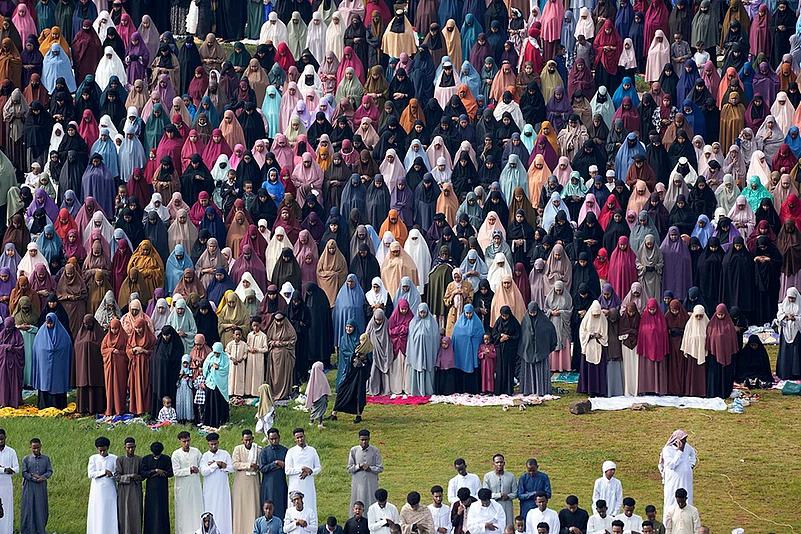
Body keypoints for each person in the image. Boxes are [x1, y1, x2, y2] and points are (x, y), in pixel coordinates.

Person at [200, 432, 234, 534]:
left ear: (218, 443)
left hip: (222, 488)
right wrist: (215, 465)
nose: (214, 446)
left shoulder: (225, 454)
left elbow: (232, 468)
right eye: (212, 444)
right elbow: (203, 472)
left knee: (224, 510)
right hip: (210, 489)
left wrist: (223, 466)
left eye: (215, 444)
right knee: (211, 509)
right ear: (208, 444)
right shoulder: (205, 456)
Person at [172, 431, 204, 534]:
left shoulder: (196, 452)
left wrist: (197, 469)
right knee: (184, 511)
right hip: (183, 487)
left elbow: (202, 467)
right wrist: (189, 470)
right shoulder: (176, 454)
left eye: (188, 441)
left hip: (195, 485)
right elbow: (176, 472)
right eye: (184, 441)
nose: (187, 443)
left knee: (197, 508)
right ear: (179, 442)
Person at [658, 430, 696, 515]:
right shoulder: (667, 450)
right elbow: (671, 465)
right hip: (673, 481)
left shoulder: (687, 447)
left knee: (687, 498)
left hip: (686, 480)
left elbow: (693, 454)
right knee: (672, 500)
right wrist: (680, 451)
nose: (685, 442)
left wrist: (691, 464)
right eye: (682, 440)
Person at [232, 429, 262, 534]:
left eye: (250, 440)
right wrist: (248, 465)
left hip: (253, 482)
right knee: (240, 507)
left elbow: (260, 466)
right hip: (240, 482)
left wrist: (256, 467)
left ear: (253, 439)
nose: (248, 442)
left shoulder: (258, 450)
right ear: (242, 440)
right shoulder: (238, 449)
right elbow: (235, 464)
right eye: (246, 440)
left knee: (253, 506)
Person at [285, 428, 322, 513]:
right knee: (294, 507)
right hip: (295, 484)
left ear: (304, 436)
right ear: (295, 439)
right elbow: (287, 470)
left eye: (301, 437)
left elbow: (318, 467)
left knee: (309, 504)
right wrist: (301, 469)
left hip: (308, 484)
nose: (300, 439)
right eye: (297, 438)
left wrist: (310, 472)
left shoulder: (312, 451)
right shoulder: (291, 451)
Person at [87, 436, 118, 534]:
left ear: (108, 448)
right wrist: (103, 472)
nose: (102, 453)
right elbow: (90, 474)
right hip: (97, 490)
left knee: (110, 510)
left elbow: (117, 474)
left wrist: (111, 474)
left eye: (104, 450)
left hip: (110, 489)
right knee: (97, 511)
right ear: (97, 449)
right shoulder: (93, 458)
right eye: (100, 450)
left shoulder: (114, 458)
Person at [20, 438, 52, 534]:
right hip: (29, 486)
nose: (36, 450)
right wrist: (34, 479)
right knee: (29, 507)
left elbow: (49, 471)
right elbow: (24, 473)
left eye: (38, 448)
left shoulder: (46, 459)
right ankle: (28, 530)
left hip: (41, 486)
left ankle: (40, 530)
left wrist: (42, 477)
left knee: (41, 507)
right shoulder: (26, 459)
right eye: (34, 448)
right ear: (30, 448)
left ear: (41, 446)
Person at [141, 441, 173, 534]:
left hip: (162, 489)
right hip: (151, 489)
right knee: (150, 510)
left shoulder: (166, 459)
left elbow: (170, 473)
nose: (156, 456)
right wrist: (155, 471)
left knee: (162, 511)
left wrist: (162, 473)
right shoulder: (146, 459)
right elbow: (143, 473)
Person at [348, 430, 384, 511]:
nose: (364, 442)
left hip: (371, 482)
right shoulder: (354, 450)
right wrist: (359, 466)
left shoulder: (375, 450)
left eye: (366, 440)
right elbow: (349, 468)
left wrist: (369, 468)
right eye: (362, 440)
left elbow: (380, 468)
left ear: (369, 439)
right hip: (358, 483)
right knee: (357, 500)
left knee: (371, 500)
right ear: (359, 439)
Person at [114, 437, 143, 534]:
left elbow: (143, 475)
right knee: (124, 512)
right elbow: (117, 477)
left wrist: (137, 477)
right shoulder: (120, 460)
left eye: (132, 447)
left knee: (136, 512)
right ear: (124, 448)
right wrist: (129, 476)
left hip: (135, 489)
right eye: (128, 448)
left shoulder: (139, 459)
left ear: (135, 447)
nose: (131, 450)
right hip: (124, 490)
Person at [259, 428, 289, 519]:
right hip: (268, 485)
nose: (274, 441)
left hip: (281, 483)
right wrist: (275, 463)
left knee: (281, 505)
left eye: (275, 438)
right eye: (271, 439)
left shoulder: (285, 451)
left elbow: (287, 466)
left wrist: (279, 465)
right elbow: (262, 468)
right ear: (268, 439)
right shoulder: (264, 452)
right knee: (269, 506)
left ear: (279, 437)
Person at [482, 453, 517, 526]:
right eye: (497, 462)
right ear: (493, 464)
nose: (499, 464)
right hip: (493, 505)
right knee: (495, 526)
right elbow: (485, 494)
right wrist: (498, 495)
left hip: (507, 505)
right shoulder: (488, 476)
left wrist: (508, 496)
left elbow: (515, 493)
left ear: (504, 463)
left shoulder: (511, 476)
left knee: (508, 525)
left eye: (501, 462)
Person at [0, 430, 16, 534]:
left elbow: (16, 469)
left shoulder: (11, 451)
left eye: (2, 438)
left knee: (7, 508)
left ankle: (7, 531)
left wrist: (6, 469)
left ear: (5, 438)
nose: (0, 441)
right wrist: (5, 470)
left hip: (6, 485)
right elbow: (8, 470)